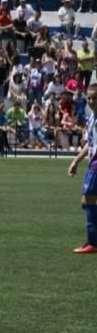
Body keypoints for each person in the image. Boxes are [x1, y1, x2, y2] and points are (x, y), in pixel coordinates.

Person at [67, 84, 97, 253]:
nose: (91, 101)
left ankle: (93, 243)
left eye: (94, 98)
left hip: (96, 164)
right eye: (89, 98)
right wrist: (76, 161)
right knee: (87, 202)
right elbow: (89, 144)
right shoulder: (91, 118)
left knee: (87, 200)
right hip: (92, 162)